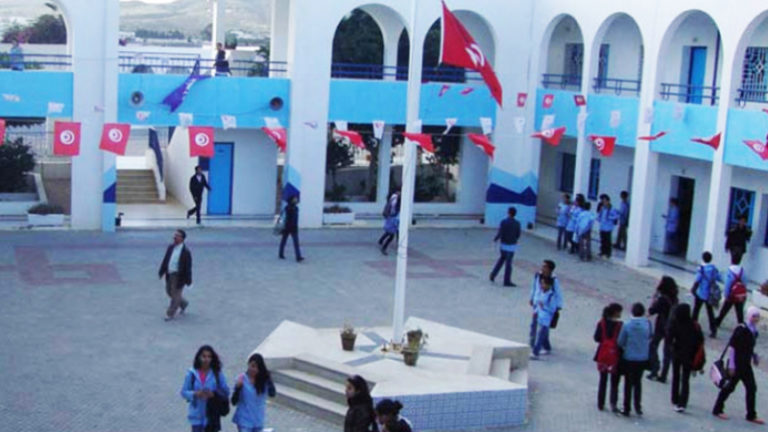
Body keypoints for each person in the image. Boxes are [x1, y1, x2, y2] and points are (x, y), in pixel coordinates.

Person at [712, 306, 764, 424]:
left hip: (746, 364)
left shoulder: (753, 331)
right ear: (749, 316)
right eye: (754, 316)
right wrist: (732, 365)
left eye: (757, 316)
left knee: (751, 388)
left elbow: (749, 347)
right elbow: (733, 348)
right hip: (737, 364)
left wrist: (754, 356)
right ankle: (717, 409)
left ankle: (751, 414)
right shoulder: (741, 329)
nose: (756, 319)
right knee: (729, 387)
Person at [180, 345, 231, 432]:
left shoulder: (217, 373)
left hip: (212, 415)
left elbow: (226, 391)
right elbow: (184, 392)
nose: (206, 359)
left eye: (209, 357)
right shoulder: (191, 374)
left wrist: (213, 394)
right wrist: (195, 394)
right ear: (199, 357)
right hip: (196, 416)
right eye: (204, 356)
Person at [666, 303, 704, 413]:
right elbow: (700, 340)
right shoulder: (694, 325)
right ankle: (683, 402)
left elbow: (669, 338)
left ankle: (675, 398)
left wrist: (671, 347)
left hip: (677, 353)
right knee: (685, 379)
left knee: (676, 376)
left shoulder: (675, 323)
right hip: (689, 355)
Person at [617, 302, 652, 417]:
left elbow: (620, 342)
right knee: (638, 382)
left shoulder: (627, 325)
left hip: (629, 357)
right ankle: (638, 406)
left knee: (628, 383)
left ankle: (626, 408)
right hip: (642, 358)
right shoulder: (648, 324)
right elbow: (650, 336)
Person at [232, 353, 276, 432]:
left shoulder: (263, 381)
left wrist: (268, 379)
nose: (254, 369)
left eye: (257, 367)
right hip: (244, 419)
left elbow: (272, 394)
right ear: (248, 364)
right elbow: (234, 401)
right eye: (252, 366)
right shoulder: (242, 378)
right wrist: (238, 388)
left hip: (258, 419)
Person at [647, 276, 678, 383]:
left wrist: (654, 298)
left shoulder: (662, 299)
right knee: (667, 351)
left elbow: (651, 311)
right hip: (672, 328)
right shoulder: (675, 299)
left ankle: (655, 368)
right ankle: (664, 374)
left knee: (653, 346)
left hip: (661, 326)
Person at [594, 303, 623, 412]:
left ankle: (600, 403)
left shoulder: (601, 323)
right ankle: (613, 403)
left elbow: (596, 338)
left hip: (602, 355)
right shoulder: (620, 325)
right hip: (614, 356)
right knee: (615, 381)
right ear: (615, 312)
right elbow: (621, 341)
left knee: (603, 380)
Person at [158, 229, 192, 321]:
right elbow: (166, 260)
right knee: (169, 291)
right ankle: (183, 303)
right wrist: (162, 271)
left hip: (179, 276)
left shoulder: (186, 252)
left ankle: (170, 313)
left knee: (176, 295)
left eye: (177, 235)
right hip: (169, 274)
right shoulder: (170, 247)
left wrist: (188, 280)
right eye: (175, 235)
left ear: (182, 238)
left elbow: (188, 267)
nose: (174, 237)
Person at [691, 251, 722, 338]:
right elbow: (719, 278)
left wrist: (693, 289)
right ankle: (713, 330)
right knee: (710, 313)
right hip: (710, 294)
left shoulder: (701, 269)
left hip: (700, 293)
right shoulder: (713, 269)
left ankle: (693, 327)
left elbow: (697, 280)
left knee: (696, 311)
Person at [529, 275, 560, 359]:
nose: (542, 285)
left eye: (544, 284)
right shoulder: (541, 292)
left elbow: (552, 309)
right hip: (539, 316)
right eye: (541, 283)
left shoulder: (551, 296)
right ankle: (547, 347)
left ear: (549, 285)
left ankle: (535, 353)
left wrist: (544, 306)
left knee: (541, 335)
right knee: (544, 335)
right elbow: (537, 303)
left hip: (546, 319)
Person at [490, 206, 521, 287]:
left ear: (508, 213)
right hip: (511, 245)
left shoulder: (504, 222)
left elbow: (500, 232)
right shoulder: (517, 223)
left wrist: (496, 239)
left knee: (501, 259)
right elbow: (518, 234)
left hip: (504, 244)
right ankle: (506, 280)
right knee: (508, 263)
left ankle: (493, 274)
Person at [715, 254, 747, 329]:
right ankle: (741, 325)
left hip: (731, 294)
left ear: (731, 260)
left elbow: (728, 283)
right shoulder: (742, 271)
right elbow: (745, 282)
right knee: (739, 311)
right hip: (739, 294)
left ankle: (718, 321)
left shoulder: (730, 271)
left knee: (725, 309)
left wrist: (726, 294)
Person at [279, 196, 304, 262]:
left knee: (296, 243)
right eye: (294, 199)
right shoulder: (287, 208)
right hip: (287, 227)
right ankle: (280, 254)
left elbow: (295, 219)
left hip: (294, 228)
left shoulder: (296, 208)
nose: (296, 200)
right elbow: (284, 217)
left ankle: (298, 257)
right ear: (291, 200)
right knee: (284, 241)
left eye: (296, 199)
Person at [379, 190, 400, 255]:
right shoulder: (396, 200)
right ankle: (384, 248)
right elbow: (394, 210)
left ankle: (381, 241)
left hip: (391, 218)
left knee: (391, 232)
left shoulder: (393, 198)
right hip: (393, 218)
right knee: (392, 235)